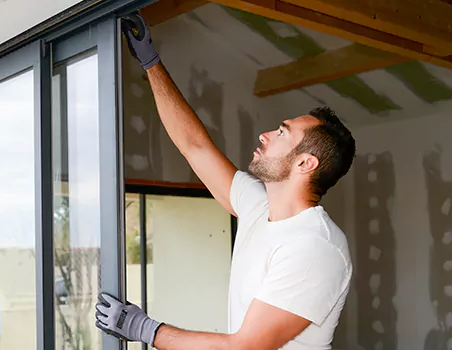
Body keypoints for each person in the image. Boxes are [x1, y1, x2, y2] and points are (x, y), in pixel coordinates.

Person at [94, 12, 356, 350]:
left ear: (306, 163)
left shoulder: (315, 247)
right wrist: (150, 62)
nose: (264, 135)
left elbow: (244, 346)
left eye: (281, 133)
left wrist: (146, 330)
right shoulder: (259, 207)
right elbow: (196, 147)